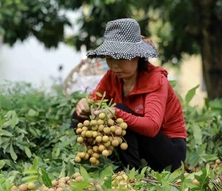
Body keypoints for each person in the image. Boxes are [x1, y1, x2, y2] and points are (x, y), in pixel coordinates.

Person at [72, 18, 187, 172]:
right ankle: (123, 169)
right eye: (110, 58)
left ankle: (131, 173)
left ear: (137, 56)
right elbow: (94, 103)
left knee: (120, 111)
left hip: (169, 152)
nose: (115, 65)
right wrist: (83, 108)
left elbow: (152, 127)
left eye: (121, 58)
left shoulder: (155, 80)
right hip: (139, 146)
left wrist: (116, 113)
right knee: (77, 118)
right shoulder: (112, 76)